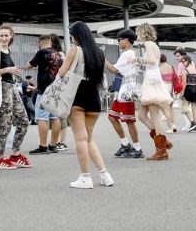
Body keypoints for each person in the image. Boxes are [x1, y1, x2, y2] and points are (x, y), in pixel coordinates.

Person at [58, 22, 113, 189]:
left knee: (80, 139)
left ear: (76, 36)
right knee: (89, 139)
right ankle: (105, 175)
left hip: (77, 97)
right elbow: (110, 70)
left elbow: (61, 73)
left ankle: (85, 177)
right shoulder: (98, 53)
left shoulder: (74, 50)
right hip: (94, 99)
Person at [0, 25, 30, 169]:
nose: (4, 38)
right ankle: (0, 158)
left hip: (12, 87)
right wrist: (8, 69)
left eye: (6, 35)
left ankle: (15, 154)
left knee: (24, 120)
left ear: (12, 36)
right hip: (3, 89)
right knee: (4, 123)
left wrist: (13, 73)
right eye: (1, 36)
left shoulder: (7, 50)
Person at [135, 25, 174, 161]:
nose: (137, 36)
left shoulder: (147, 44)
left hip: (151, 80)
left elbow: (151, 60)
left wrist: (136, 59)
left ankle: (161, 150)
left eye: (138, 33)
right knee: (141, 115)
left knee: (155, 116)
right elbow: (154, 62)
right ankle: (163, 142)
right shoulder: (154, 45)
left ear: (143, 33)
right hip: (153, 78)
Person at [104, 28, 144, 159]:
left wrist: (102, 59)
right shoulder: (129, 53)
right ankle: (125, 144)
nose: (118, 43)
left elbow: (114, 70)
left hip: (126, 92)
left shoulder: (127, 54)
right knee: (112, 117)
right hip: (122, 91)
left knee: (129, 120)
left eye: (119, 40)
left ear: (126, 40)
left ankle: (137, 148)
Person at [26, 34, 64, 154]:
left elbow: (29, 65)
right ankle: (53, 145)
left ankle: (43, 146)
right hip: (56, 90)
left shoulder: (41, 52)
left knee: (41, 118)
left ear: (40, 43)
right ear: (51, 42)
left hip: (44, 90)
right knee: (55, 117)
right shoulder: (58, 54)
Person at [176, 51, 196, 131]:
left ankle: (193, 123)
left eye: (184, 61)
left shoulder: (185, 71)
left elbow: (184, 83)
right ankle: (195, 125)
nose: (182, 63)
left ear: (188, 61)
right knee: (194, 108)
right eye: (182, 62)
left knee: (184, 108)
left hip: (188, 90)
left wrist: (182, 93)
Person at [160, 54, 180, 132]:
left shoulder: (159, 68)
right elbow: (177, 76)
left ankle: (170, 127)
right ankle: (173, 124)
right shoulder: (172, 67)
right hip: (172, 87)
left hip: (164, 87)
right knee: (171, 108)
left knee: (166, 109)